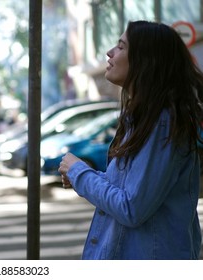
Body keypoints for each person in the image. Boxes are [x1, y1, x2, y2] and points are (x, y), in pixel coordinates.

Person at [58, 20, 202, 260]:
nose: (110, 52)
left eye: (121, 47)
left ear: (146, 61)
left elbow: (131, 208)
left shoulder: (162, 122)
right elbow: (129, 188)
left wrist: (80, 173)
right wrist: (81, 176)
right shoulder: (143, 117)